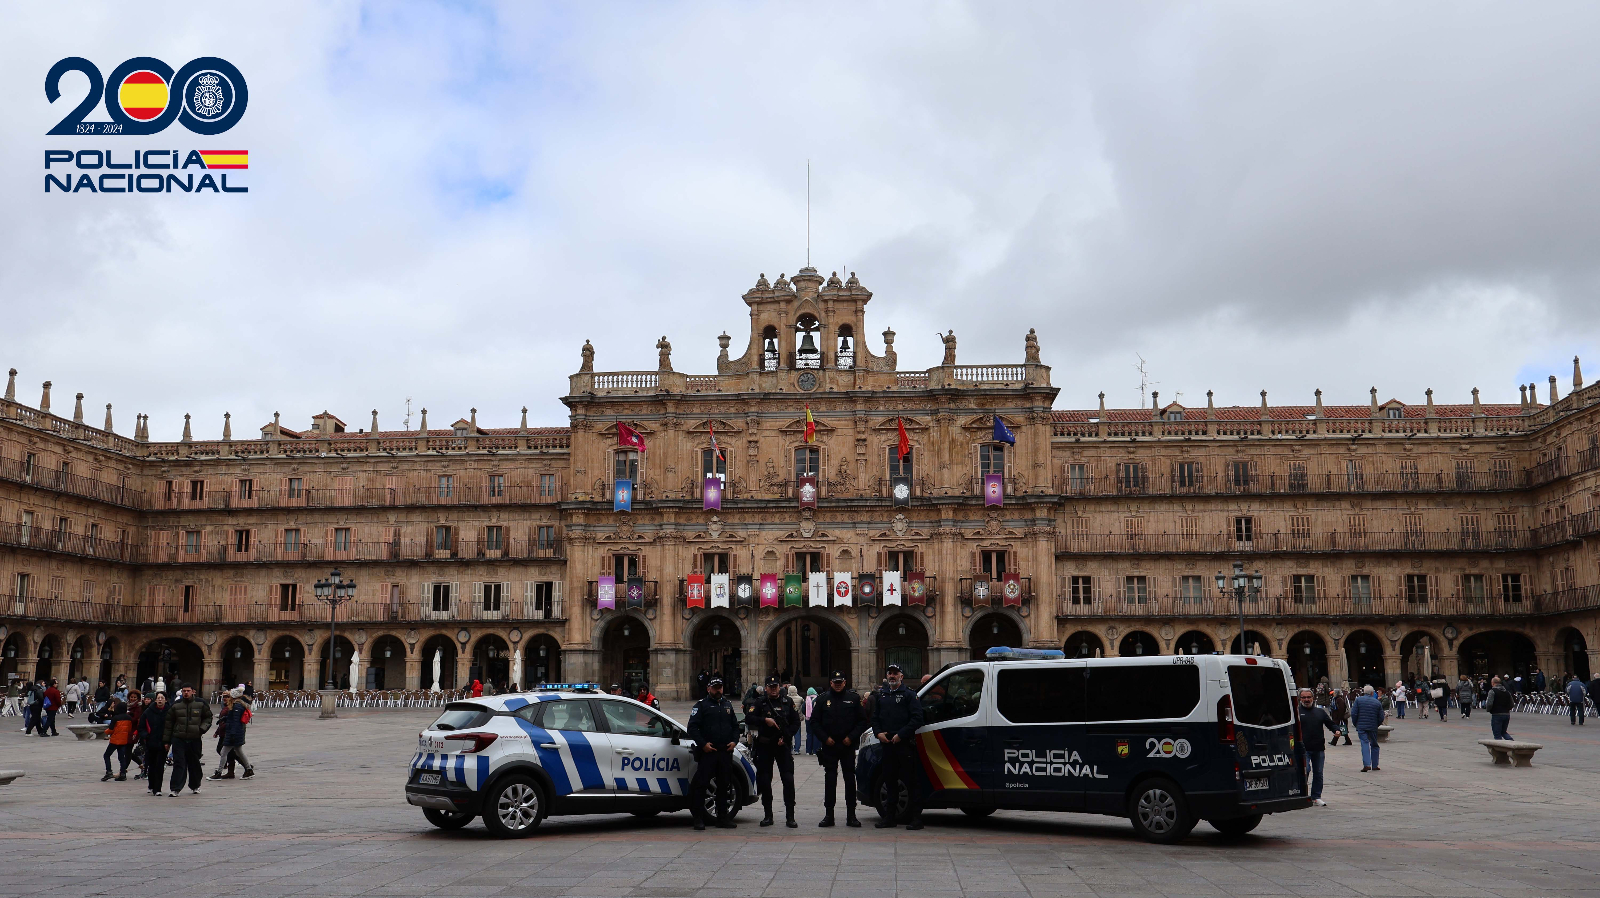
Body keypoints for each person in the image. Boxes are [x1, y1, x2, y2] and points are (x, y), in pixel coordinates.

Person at [871, 662, 925, 829]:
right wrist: (878, 733)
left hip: (904, 744)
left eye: (895, 673)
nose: (892, 676)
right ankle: (889, 817)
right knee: (890, 780)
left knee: (911, 781)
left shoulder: (909, 695)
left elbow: (917, 719)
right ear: (887, 676)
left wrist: (900, 735)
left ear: (902, 676)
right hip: (887, 745)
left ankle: (916, 818)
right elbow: (875, 718)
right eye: (890, 673)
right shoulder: (882, 695)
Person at [809, 671, 866, 827]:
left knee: (849, 780)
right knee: (830, 780)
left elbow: (862, 721)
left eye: (840, 682)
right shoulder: (822, 700)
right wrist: (825, 738)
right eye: (835, 682)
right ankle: (829, 815)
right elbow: (814, 722)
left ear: (845, 683)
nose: (838, 684)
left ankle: (851, 815)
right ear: (831, 683)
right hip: (830, 746)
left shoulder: (853, 699)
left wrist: (852, 737)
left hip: (847, 745)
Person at [685, 676, 740, 831]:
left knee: (724, 785)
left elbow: (735, 726)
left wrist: (734, 741)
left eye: (720, 687)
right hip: (708, 752)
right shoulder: (701, 706)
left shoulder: (727, 704)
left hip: (724, 752)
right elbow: (692, 728)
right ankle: (698, 818)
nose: (718, 690)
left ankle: (722, 817)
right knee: (701, 785)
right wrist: (703, 744)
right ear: (709, 688)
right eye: (715, 688)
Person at [745, 675, 800, 827]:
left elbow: (796, 722)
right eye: (771, 686)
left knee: (788, 780)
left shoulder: (787, 702)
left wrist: (787, 737)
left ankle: (790, 816)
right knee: (765, 780)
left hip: (782, 746)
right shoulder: (760, 702)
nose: (774, 689)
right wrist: (764, 721)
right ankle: (768, 815)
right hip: (765, 746)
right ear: (766, 688)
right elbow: (749, 718)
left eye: (776, 686)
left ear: (780, 687)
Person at [163, 684, 214, 796]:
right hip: (179, 738)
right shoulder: (176, 705)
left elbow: (208, 717)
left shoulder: (201, 703)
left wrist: (202, 729)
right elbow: (168, 723)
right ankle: (175, 788)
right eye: (184, 691)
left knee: (194, 763)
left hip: (194, 738)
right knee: (179, 763)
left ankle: (195, 786)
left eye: (188, 691)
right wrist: (167, 741)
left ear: (193, 691)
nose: (186, 693)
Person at [1296, 688, 1338, 806]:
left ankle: (1316, 796)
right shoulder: (1296, 712)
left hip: (1318, 748)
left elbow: (1330, 724)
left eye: (1308, 697)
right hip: (1303, 748)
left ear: (1313, 698)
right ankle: (1302, 795)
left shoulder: (1320, 712)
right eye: (1303, 697)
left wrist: (1336, 730)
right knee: (1306, 770)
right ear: (1300, 699)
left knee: (1318, 773)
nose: (1306, 700)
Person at [211, 688, 256, 779]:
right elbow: (233, 718)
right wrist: (225, 719)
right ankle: (248, 770)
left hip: (234, 733)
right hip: (237, 733)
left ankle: (219, 773)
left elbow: (235, 722)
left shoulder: (237, 706)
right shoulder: (238, 705)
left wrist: (232, 734)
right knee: (239, 752)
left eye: (229, 696)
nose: (227, 697)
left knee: (223, 752)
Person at [1350, 684, 1386, 772]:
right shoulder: (1377, 702)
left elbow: (1354, 713)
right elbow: (1381, 716)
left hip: (1361, 726)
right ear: (1372, 693)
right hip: (1373, 726)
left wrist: (1356, 724)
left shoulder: (1358, 700)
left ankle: (1366, 764)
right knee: (1374, 744)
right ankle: (1375, 764)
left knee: (1364, 743)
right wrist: (1376, 724)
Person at [139, 693, 169, 796]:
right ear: (155, 700)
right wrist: (146, 736)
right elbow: (141, 727)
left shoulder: (169, 712)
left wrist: (168, 741)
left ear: (166, 700)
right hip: (150, 742)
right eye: (158, 698)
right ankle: (151, 786)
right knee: (151, 765)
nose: (160, 700)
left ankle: (158, 789)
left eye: (162, 698)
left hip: (163, 743)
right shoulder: (148, 712)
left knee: (160, 766)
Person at [101, 700, 135, 781]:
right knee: (121, 757)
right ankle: (123, 774)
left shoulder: (115, 718)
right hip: (123, 740)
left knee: (106, 755)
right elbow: (129, 729)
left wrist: (105, 732)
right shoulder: (129, 718)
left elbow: (111, 730)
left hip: (115, 740)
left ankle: (109, 771)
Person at [1484, 676, 1514, 741]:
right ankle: (1511, 742)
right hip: (1506, 714)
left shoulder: (1492, 691)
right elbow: (1512, 704)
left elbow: (1489, 703)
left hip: (1497, 714)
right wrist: (1507, 709)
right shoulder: (1507, 692)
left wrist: (1488, 709)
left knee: (1497, 734)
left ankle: (1499, 748)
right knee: (1503, 732)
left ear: (1493, 683)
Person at [803, 688, 819, 754]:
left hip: (808, 719)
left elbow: (803, 709)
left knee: (809, 734)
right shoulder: (817, 699)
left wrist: (807, 715)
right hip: (816, 719)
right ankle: (815, 750)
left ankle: (808, 750)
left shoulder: (806, 700)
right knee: (816, 734)